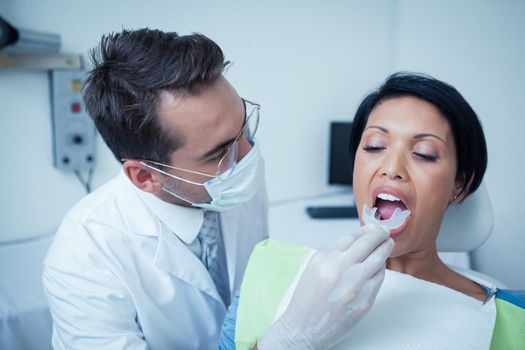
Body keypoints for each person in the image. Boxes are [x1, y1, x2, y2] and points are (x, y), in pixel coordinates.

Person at [42, 28, 393, 350]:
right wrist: (291, 339)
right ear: (145, 176)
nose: (247, 155)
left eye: (244, 127)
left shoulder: (236, 177)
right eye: (220, 152)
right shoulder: (85, 257)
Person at [220, 72, 525, 349]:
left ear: (459, 185)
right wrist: (290, 337)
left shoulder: (513, 322)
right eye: (375, 147)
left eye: (424, 153)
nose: (391, 169)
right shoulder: (268, 273)